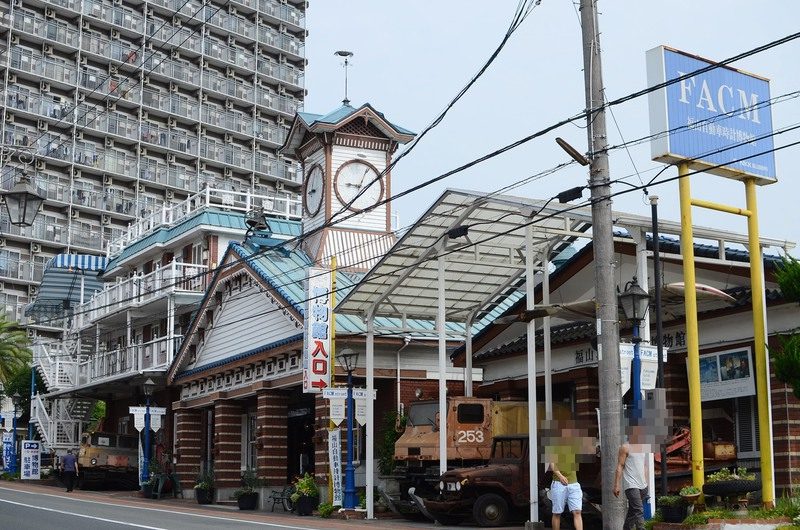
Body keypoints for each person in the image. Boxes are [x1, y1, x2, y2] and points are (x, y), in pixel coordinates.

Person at [614, 424, 649, 530]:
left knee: (633, 512)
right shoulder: (625, 447)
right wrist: (617, 485)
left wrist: (646, 481)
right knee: (639, 510)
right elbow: (620, 466)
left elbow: (644, 465)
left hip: (642, 485)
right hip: (631, 484)